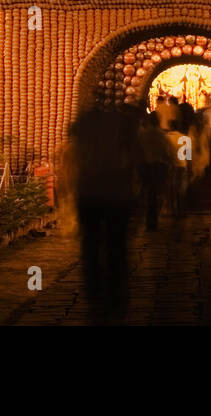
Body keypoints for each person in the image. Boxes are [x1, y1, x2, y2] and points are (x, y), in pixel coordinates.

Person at [69, 102, 140, 322]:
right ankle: (115, 293)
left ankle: (95, 292)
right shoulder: (123, 132)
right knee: (115, 245)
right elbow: (137, 161)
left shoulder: (85, 132)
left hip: (90, 195)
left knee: (91, 244)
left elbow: (75, 160)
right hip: (116, 196)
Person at [137, 112, 172, 230]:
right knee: (156, 193)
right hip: (158, 165)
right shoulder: (162, 135)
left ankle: (147, 217)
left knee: (147, 192)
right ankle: (153, 218)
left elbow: (138, 150)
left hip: (145, 165)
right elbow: (167, 151)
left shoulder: (143, 135)